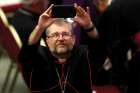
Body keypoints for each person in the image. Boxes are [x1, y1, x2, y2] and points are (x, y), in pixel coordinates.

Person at [19, 3, 98, 93]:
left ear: (73, 39)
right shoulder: (39, 57)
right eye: (55, 35)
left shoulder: (83, 54)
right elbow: (27, 53)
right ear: (47, 41)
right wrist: (40, 27)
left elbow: (99, 49)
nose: (60, 38)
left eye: (65, 34)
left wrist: (88, 26)